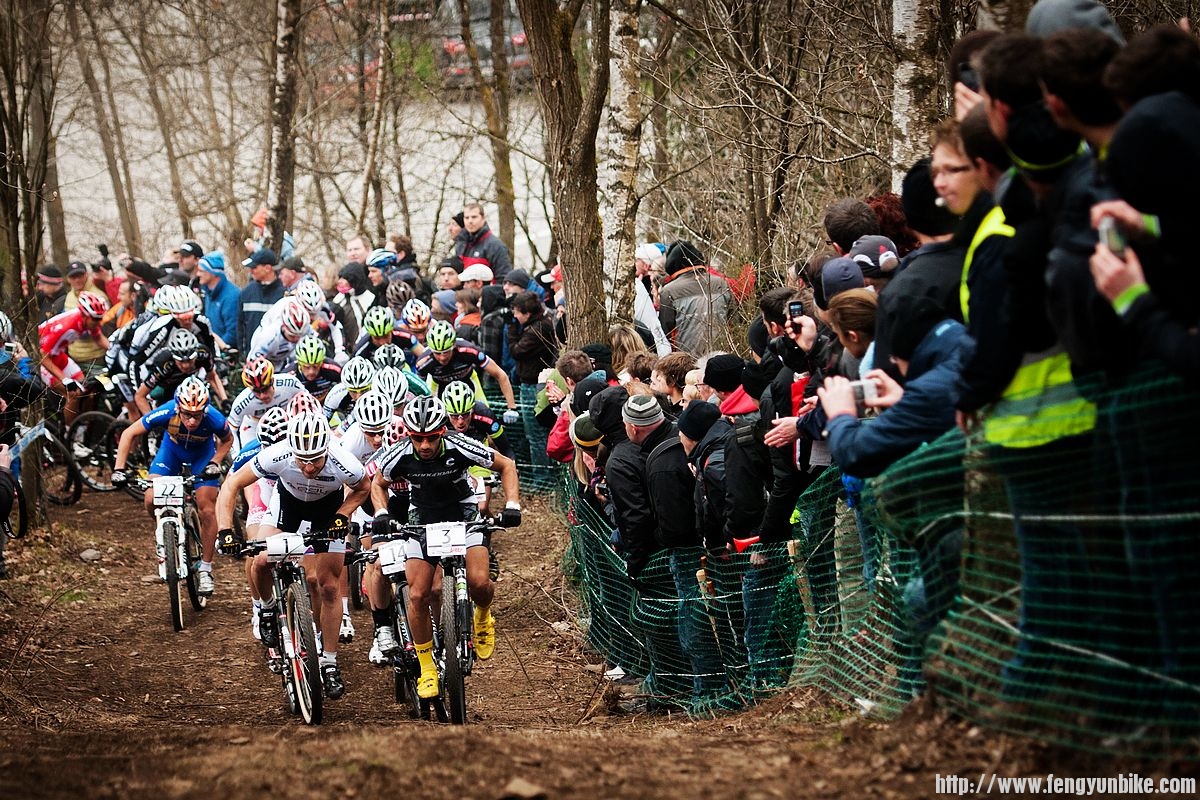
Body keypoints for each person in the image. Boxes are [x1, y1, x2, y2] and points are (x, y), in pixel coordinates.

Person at [370, 396, 522, 698]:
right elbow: (377, 483)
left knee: (480, 581)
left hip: (462, 512)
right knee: (418, 594)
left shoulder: (460, 444)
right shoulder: (399, 453)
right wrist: (382, 513)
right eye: (417, 438)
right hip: (422, 517)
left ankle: (482, 614)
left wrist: (512, 505)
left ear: (442, 431)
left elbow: (506, 465)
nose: (424, 445)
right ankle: (427, 667)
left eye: (431, 438)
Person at [217, 412, 372, 700]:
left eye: (315, 460)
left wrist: (343, 514)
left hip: (327, 511)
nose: (309, 467)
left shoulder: (343, 460)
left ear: (326, 450)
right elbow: (231, 484)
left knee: (328, 587)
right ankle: (266, 609)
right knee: (260, 560)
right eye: (302, 460)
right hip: (287, 507)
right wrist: (225, 530)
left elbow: (364, 487)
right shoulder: (277, 454)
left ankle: (329, 662)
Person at [111, 376, 232, 596]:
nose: (192, 421)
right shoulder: (167, 411)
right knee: (150, 498)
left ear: (204, 410)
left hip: (202, 456)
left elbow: (228, 440)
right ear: (178, 408)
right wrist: (118, 469)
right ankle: (166, 532)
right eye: (187, 415)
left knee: (207, 508)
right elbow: (129, 433)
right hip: (171, 453)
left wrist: (215, 462)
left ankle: (206, 569)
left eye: (197, 415)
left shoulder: (213, 417)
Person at [415, 320, 518, 419]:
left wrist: (512, 407)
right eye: (437, 353)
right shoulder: (423, 362)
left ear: (454, 344)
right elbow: (418, 390)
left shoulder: (469, 351)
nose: (442, 357)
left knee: (486, 415)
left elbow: (500, 374)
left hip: (469, 383)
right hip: (439, 387)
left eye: (446, 352)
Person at [38, 291, 110, 424]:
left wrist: (114, 350)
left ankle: (81, 425)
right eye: (96, 319)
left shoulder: (88, 321)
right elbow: (42, 355)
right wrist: (64, 379)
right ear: (84, 315)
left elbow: (98, 337)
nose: (99, 322)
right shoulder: (66, 326)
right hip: (42, 359)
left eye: (100, 318)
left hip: (57, 354)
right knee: (73, 393)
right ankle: (69, 431)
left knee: (86, 388)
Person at [507, 292, 558, 467]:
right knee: (537, 435)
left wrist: (511, 329)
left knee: (536, 435)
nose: (514, 316)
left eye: (517, 312)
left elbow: (516, 351)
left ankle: (542, 476)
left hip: (533, 386)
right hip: (534, 383)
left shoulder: (537, 330)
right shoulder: (540, 323)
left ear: (527, 313)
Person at [657, 240, 733, 356]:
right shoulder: (721, 283)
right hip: (722, 356)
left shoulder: (669, 291)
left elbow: (664, 333)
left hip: (687, 359)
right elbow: (734, 319)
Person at [226, 356, 307, 450]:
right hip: (254, 427)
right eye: (256, 391)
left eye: (265, 389)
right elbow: (231, 428)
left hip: (285, 422)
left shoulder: (290, 383)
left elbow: (308, 401)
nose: (262, 396)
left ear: (272, 381)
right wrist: (235, 454)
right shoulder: (242, 401)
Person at [133, 328, 221, 414]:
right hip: (165, 388)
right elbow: (140, 396)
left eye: (190, 360)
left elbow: (212, 377)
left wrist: (224, 399)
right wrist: (151, 420)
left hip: (189, 383)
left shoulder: (203, 353)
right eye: (181, 361)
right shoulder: (164, 363)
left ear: (196, 355)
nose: (186, 365)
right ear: (173, 357)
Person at [237, 248, 283, 353]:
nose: (251, 271)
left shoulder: (283, 293)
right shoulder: (246, 292)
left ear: (267, 268)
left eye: (254, 267)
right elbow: (240, 326)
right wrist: (243, 354)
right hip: (252, 355)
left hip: (277, 355)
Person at [459, 202, 513, 283]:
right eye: (467, 218)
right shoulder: (461, 243)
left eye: (474, 217)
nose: (470, 221)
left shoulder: (495, 246)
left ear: (483, 218)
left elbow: (503, 278)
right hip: (465, 290)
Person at [633, 244, 672, 356]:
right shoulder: (640, 283)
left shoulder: (654, 283)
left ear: (646, 265)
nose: (634, 263)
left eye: (637, 260)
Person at [195, 252, 238, 347]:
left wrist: (215, 349)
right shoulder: (208, 292)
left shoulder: (232, 296)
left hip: (224, 350)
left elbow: (233, 333)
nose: (198, 274)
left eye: (201, 271)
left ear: (213, 273)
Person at [294, 335, 342, 401]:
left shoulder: (334, 369)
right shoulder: (290, 375)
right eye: (306, 367)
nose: (311, 372)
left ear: (321, 362)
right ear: (299, 363)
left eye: (315, 366)